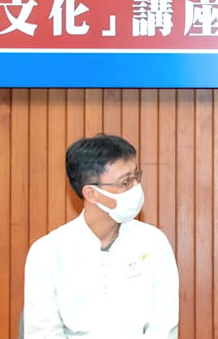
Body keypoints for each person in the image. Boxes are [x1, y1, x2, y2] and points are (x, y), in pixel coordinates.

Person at [23, 134, 179, 338]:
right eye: (125, 182)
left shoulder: (154, 243)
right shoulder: (47, 252)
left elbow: (163, 327)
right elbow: (43, 332)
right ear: (91, 193)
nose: (136, 188)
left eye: (136, 177)